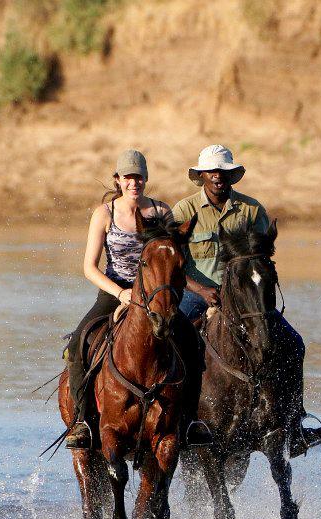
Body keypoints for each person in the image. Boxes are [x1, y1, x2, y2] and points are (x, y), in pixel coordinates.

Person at [172, 144, 321, 454]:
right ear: (201, 175)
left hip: (245, 299)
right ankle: (176, 420)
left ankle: (295, 423)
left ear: (232, 176)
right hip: (197, 294)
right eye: (212, 171)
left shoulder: (252, 211)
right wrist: (201, 290)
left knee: (293, 343)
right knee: (173, 342)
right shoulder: (183, 212)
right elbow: (173, 263)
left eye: (224, 171)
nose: (218, 176)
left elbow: (264, 258)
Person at [65, 149, 211, 449]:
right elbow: (89, 267)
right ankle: (82, 422)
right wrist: (121, 293)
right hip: (114, 291)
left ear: (146, 179)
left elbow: (176, 262)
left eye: (139, 177)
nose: (135, 182)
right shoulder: (104, 214)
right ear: (118, 179)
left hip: (157, 295)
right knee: (78, 342)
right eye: (128, 177)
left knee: (194, 342)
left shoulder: (160, 212)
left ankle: (192, 420)